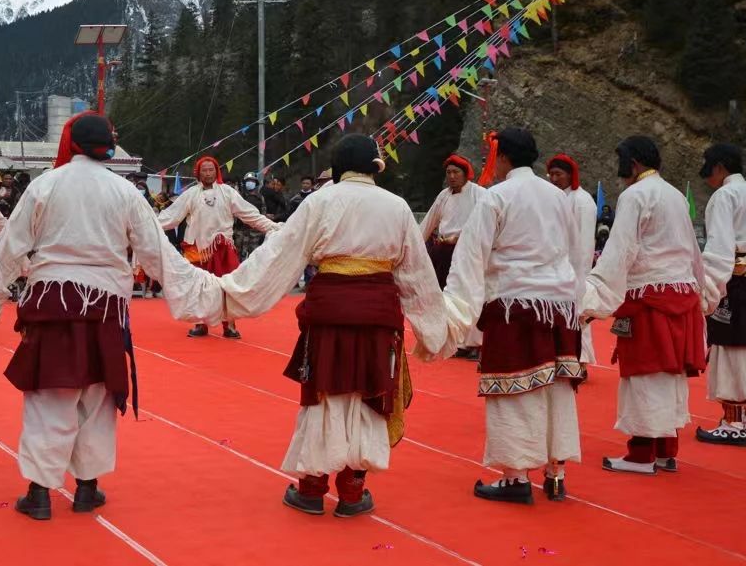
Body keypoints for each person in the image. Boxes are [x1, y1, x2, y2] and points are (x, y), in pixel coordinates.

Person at [0, 111, 222, 520]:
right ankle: (87, 488)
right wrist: (209, 294)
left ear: (72, 144)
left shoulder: (46, 184)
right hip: (106, 307)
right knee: (97, 398)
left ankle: (40, 493)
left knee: (49, 398)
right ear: (108, 148)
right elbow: (156, 252)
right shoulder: (124, 191)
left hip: (53, 303)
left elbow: (10, 247)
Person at [220, 134, 452, 517]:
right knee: (370, 396)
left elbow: (281, 255)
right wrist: (434, 331)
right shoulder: (396, 207)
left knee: (322, 394)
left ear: (339, 167)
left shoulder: (319, 201)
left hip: (328, 314)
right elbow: (417, 274)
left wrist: (228, 293)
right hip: (378, 316)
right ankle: (352, 492)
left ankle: (312, 490)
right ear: (375, 167)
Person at [443, 129, 584, 504]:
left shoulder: (497, 196)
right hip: (559, 304)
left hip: (514, 303)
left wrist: (455, 311)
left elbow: (471, 254)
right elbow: (573, 250)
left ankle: (516, 476)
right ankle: (556, 474)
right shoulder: (559, 197)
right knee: (557, 389)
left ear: (501, 157)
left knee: (515, 389)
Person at [581, 136, 705, 474]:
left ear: (633, 163)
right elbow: (693, 252)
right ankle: (665, 450)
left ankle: (641, 454)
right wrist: (704, 293)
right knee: (670, 374)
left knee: (644, 373)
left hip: (648, 299)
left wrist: (590, 298)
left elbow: (620, 251)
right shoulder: (676, 195)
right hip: (682, 295)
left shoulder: (635, 195)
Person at [695, 144, 746, 446]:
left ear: (719, 167)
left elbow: (720, 248)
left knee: (730, 346)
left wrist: (709, 288)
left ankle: (732, 423)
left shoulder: (724, 196)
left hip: (734, 280)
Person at [158, 156, 278, 339]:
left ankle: (229, 325)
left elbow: (250, 215)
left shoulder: (228, 192)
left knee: (227, 287)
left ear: (217, 172)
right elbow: (171, 216)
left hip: (223, 247)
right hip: (197, 248)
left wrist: (274, 227)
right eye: (204, 170)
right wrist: (148, 226)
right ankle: (200, 323)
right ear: (198, 173)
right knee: (199, 286)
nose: (208, 173)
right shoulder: (190, 194)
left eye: (211, 170)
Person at [421, 154, 488, 359]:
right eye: (448, 172)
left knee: (469, 295)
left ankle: (475, 342)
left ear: (466, 174)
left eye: (456, 172)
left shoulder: (480, 194)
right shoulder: (444, 195)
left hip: (468, 252)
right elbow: (429, 222)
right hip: (443, 251)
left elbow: (485, 224)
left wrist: (462, 239)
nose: (451, 176)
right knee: (444, 296)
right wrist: (414, 245)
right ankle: (455, 341)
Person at [547, 154, 598, 374]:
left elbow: (585, 242)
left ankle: (581, 362)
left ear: (570, 175)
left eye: (558, 174)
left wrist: (581, 274)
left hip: (575, 268)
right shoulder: (553, 198)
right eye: (551, 174)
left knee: (579, 315)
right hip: (554, 267)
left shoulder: (582, 200)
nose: (554, 179)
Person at [235, 172, 269, 261]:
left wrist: (263, 231)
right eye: (248, 181)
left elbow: (263, 214)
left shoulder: (260, 198)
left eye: (252, 181)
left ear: (256, 183)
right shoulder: (239, 196)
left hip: (254, 233)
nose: (250, 183)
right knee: (237, 257)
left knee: (254, 258)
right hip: (240, 232)